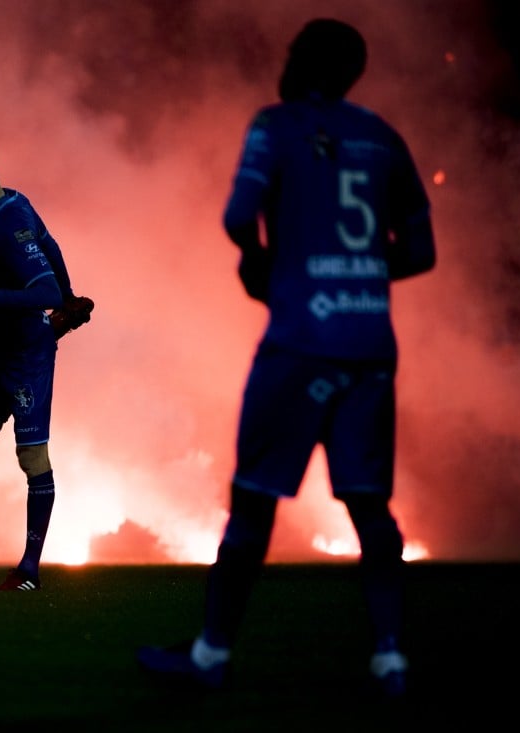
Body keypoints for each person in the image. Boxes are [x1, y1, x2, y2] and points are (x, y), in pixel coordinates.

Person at [137, 18, 436, 698]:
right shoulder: (384, 137)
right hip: (369, 348)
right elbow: (420, 251)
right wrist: (355, 270)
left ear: (300, 62)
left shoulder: (274, 125)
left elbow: (239, 217)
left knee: (254, 500)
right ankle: (391, 657)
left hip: (300, 344)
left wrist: (273, 264)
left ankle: (211, 655)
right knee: (371, 507)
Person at [0, 141, 86, 591]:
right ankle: (44, 340)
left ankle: (29, 569)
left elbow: (41, 289)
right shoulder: (11, 206)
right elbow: (50, 245)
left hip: (27, 358)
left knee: (31, 456)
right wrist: (70, 296)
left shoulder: (7, 225)